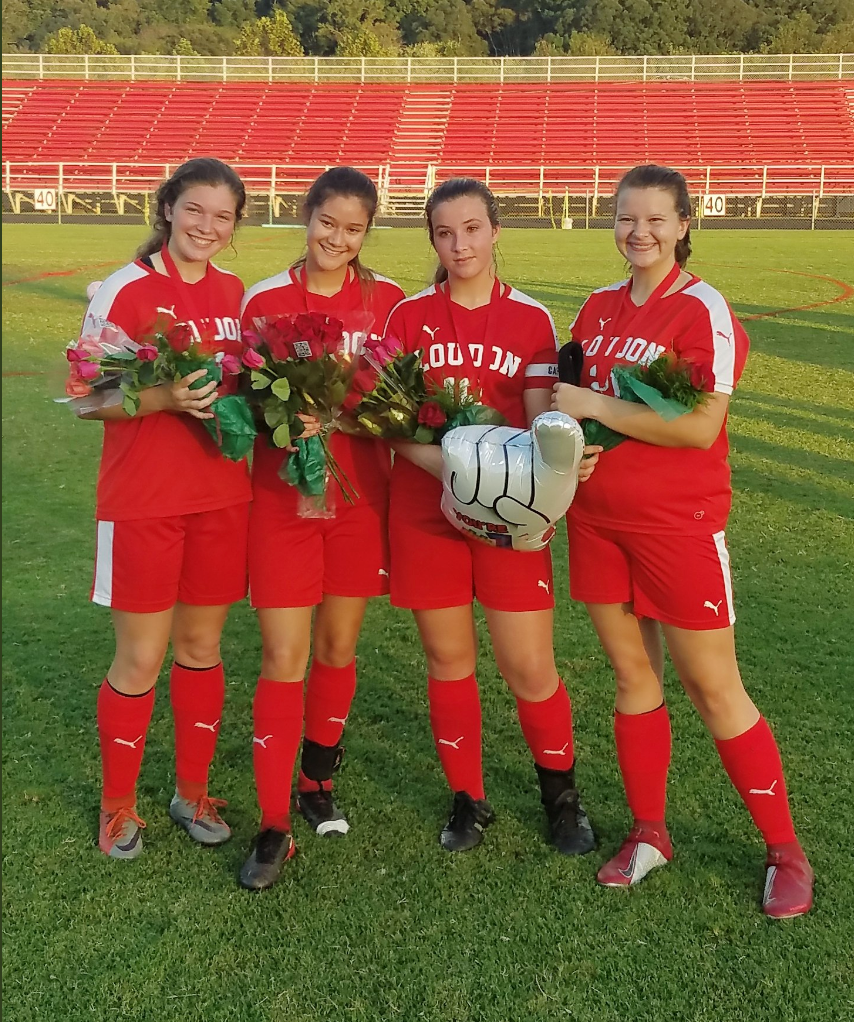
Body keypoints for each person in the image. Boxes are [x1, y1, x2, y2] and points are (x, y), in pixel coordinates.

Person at [552, 164, 813, 918]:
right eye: (626, 218)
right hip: (597, 523)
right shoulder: (596, 309)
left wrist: (595, 403)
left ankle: (785, 850)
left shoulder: (703, 310)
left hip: (678, 528)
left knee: (713, 687)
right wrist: (578, 439)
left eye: (655, 220)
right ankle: (649, 833)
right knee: (634, 679)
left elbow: (700, 426)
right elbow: (583, 420)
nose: (639, 232)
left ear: (685, 224)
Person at [384, 177, 600, 855]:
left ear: (496, 231)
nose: (460, 245)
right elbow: (386, 425)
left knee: (529, 666)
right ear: (433, 241)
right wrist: (458, 473)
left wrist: (559, 465)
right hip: (428, 511)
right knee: (448, 661)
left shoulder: (531, 320)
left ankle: (561, 798)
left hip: (511, 519)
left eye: (472, 229)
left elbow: (542, 424)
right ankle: (468, 799)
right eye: (445, 233)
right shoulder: (407, 318)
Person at [75, 158, 250, 860]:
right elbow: (88, 399)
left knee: (201, 648)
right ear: (168, 207)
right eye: (195, 210)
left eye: (223, 216)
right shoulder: (125, 289)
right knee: (141, 656)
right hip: (144, 502)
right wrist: (164, 399)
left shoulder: (236, 292)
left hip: (221, 497)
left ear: (235, 226)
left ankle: (191, 791)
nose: (207, 226)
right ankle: (117, 807)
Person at [238, 167, 405, 890]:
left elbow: (405, 405)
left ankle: (316, 780)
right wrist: (284, 415)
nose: (337, 238)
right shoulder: (266, 299)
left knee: (337, 647)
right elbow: (243, 405)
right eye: (326, 222)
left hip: (359, 502)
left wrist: (341, 415)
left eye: (353, 227)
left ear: (367, 231)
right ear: (305, 217)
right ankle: (274, 824)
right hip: (282, 507)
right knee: (284, 655)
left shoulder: (391, 302)